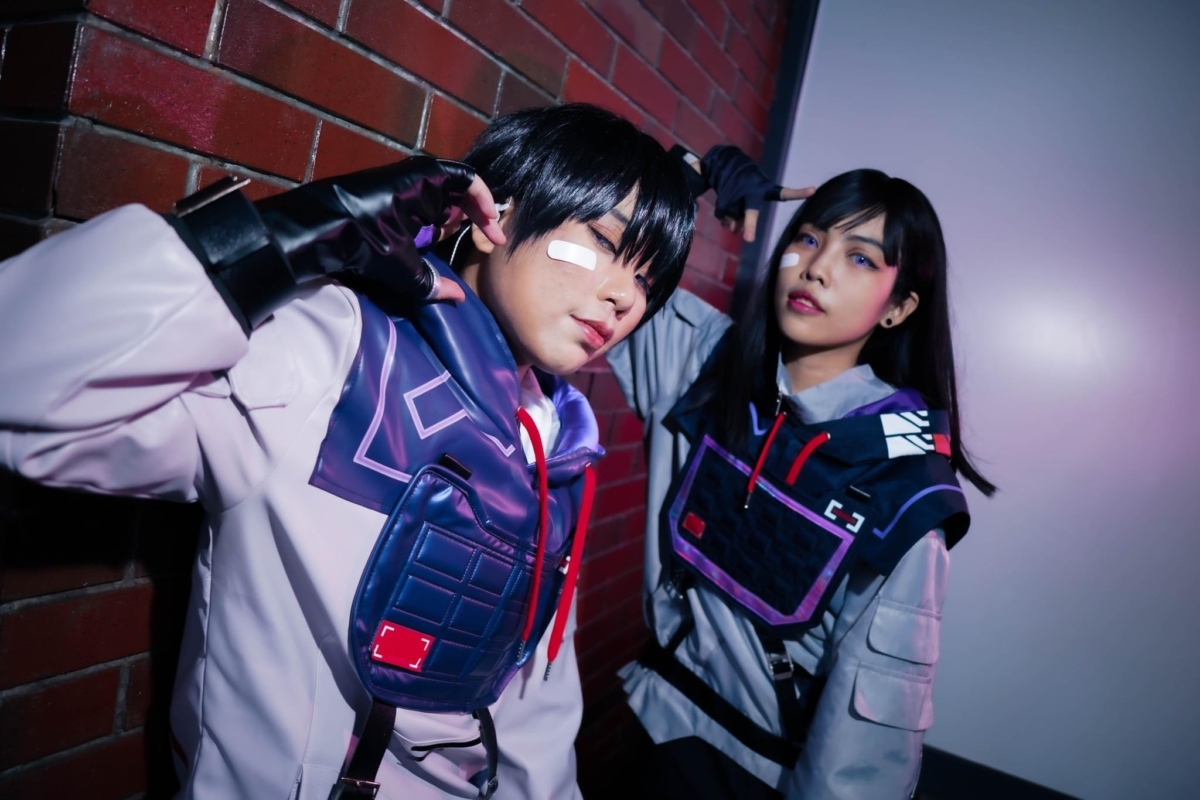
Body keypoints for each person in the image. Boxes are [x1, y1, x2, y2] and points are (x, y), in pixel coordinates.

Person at [0, 104, 696, 799]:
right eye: (603, 241)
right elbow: (22, 374)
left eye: (647, 278)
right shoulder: (339, 349)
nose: (623, 298)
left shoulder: (564, 451)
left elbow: (532, 712)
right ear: (499, 215)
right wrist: (279, 237)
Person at [608, 162, 996, 799]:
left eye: (861, 258)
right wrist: (681, 178)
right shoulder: (705, 363)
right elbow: (605, 271)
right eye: (809, 238)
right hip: (651, 722)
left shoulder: (906, 488)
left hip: (754, 776)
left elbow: (869, 740)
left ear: (899, 307)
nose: (817, 268)